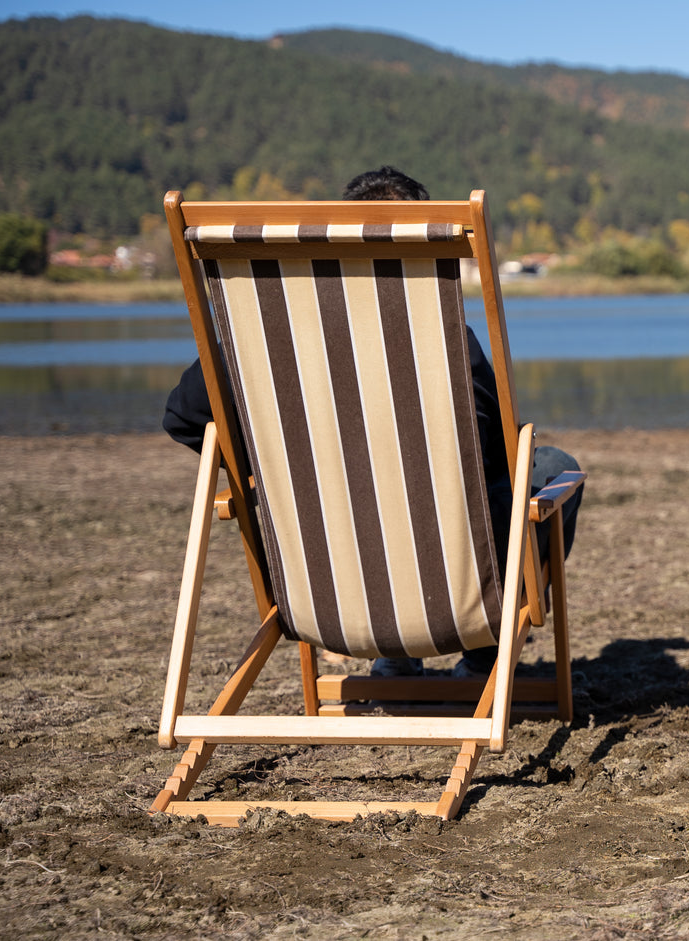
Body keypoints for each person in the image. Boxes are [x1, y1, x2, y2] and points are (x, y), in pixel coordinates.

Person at [162, 166, 582, 675]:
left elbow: (184, 418)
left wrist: (278, 476)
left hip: (331, 588)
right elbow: (495, 459)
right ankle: (483, 654)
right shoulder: (448, 346)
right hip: (452, 582)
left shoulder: (262, 345)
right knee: (551, 467)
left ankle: (393, 658)